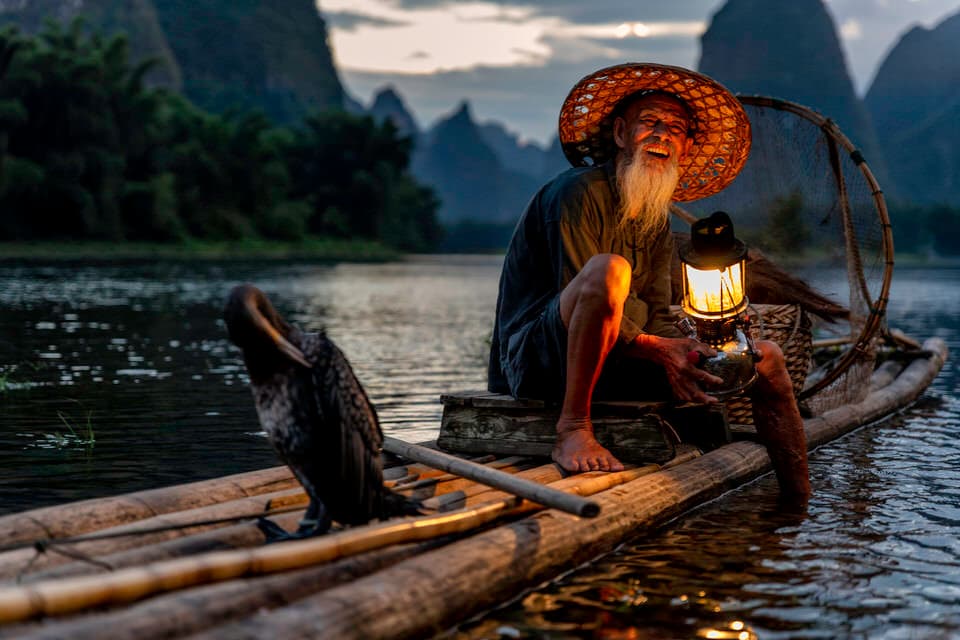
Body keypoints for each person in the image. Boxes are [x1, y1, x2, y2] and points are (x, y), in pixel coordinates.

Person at [488, 63, 810, 498]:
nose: (662, 135)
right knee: (609, 270)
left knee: (765, 357)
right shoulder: (578, 194)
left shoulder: (655, 216)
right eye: (650, 123)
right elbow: (589, 300)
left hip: (617, 362)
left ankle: (798, 503)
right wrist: (659, 350)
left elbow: (656, 314)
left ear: (685, 146)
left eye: (675, 128)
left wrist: (688, 355)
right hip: (542, 366)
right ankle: (573, 429)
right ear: (621, 134)